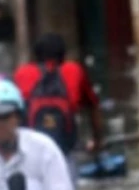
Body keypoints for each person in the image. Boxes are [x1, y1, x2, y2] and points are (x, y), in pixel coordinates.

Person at [13, 33, 103, 161]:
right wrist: (97, 142)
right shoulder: (74, 70)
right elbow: (93, 107)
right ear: (63, 54)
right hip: (65, 150)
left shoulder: (22, 73)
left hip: (30, 152)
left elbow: (15, 113)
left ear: (35, 54)